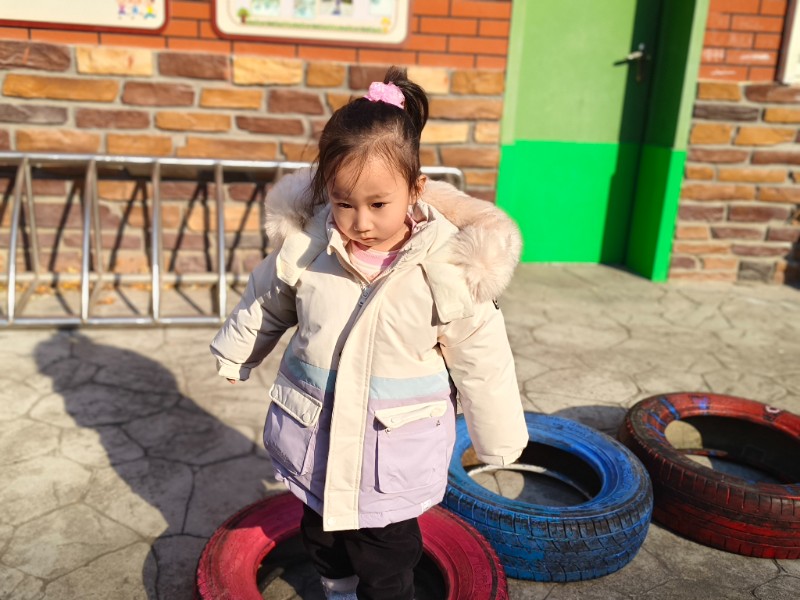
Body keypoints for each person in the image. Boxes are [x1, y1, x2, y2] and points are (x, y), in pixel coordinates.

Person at [210, 66, 528, 600]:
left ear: (415, 189)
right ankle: (337, 590)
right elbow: (269, 297)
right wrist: (237, 351)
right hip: (315, 438)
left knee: (387, 557)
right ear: (326, 193)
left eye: (379, 204)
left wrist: (497, 438)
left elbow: (483, 357)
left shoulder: (448, 266)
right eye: (344, 203)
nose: (360, 222)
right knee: (322, 536)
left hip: (391, 455)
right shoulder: (311, 247)